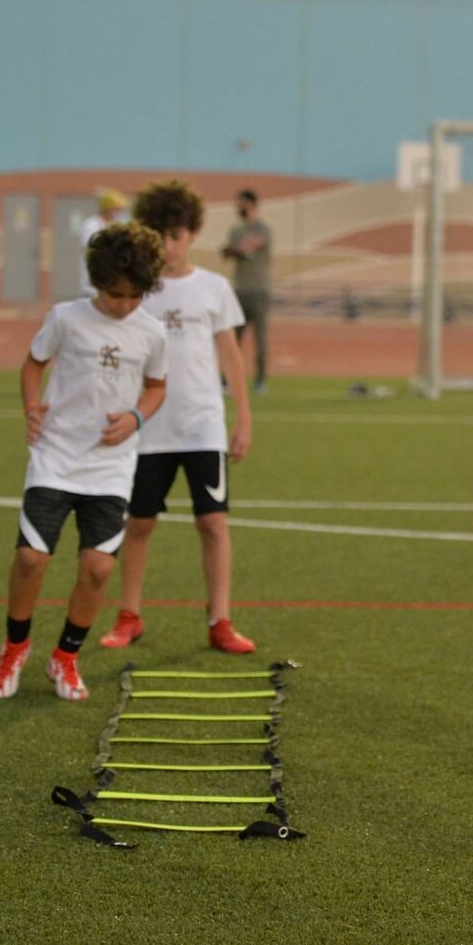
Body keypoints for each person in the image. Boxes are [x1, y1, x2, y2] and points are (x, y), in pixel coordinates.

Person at [0, 222, 167, 702]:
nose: (124, 304)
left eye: (134, 296)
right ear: (97, 280)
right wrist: (31, 407)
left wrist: (135, 418)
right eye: (114, 294)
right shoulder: (66, 318)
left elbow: (157, 387)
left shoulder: (152, 332)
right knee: (31, 558)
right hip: (55, 455)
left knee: (99, 569)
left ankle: (65, 656)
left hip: (110, 466)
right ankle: (14, 648)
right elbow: (33, 364)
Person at [101, 180, 256, 655]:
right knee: (139, 524)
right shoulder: (136, 291)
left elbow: (230, 356)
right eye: (160, 236)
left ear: (192, 234)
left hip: (202, 426)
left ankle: (220, 620)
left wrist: (243, 417)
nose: (169, 246)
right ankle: (129, 616)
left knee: (212, 524)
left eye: (177, 235)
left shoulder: (214, 287)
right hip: (148, 427)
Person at [220, 188, 271, 392]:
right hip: (239, 290)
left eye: (241, 203)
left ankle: (260, 381)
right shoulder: (236, 230)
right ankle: (227, 379)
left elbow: (248, 247)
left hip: (259, 290)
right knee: (234, 339)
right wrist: (237, 248)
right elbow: (228, 251)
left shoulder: (262, 228)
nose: (237, 207)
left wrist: (237, 248)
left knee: (260, 340)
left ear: (251, 204)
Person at [77, 188, 127, 294]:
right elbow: (91, 248)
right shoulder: (91, 225)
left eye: (120, 209)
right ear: (106, 208)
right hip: (92, 288)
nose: (119, 213)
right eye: (116, 209)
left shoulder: (119, 226)